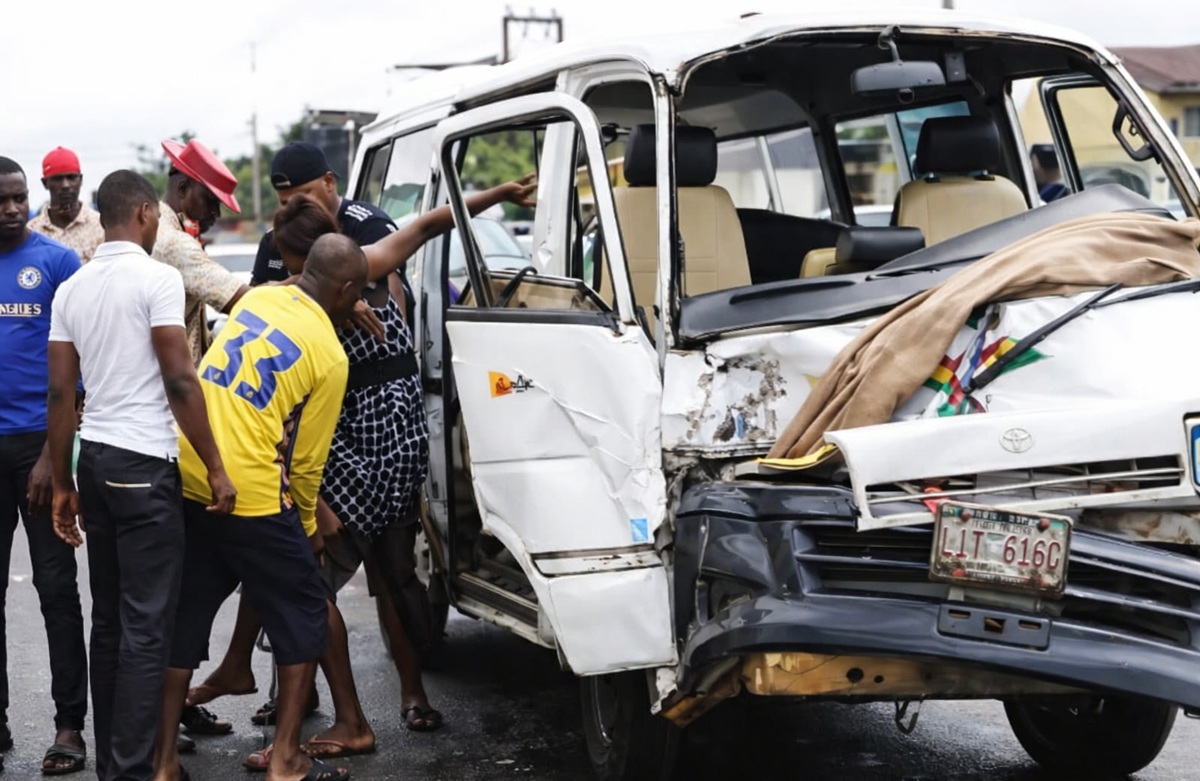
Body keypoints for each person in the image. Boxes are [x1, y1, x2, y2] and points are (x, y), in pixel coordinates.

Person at [44, 170, 237, 781]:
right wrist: (215, 465)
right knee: (147, 627)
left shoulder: (73, 287)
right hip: (143, 464)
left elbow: (58, 393)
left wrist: (64, 484)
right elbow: (181, 379)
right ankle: (130, 772)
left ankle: (112, 766)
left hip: (95, 460)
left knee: (110, 621)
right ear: (149, 214)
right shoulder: (157, 279)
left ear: (105, 218)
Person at [154, 233, 368, 781]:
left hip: (192, 469)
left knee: (188, 614)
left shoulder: (261, 299)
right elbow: (305, 466)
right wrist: (307, 533)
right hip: (249, 487)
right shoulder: (331, 355)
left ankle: (162, 763)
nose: (359, 306)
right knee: (302, 613)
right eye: (358, 295)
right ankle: (289, 758)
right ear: (344, 290)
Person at [0, 155, 89, 775]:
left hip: (41, 448)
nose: (10, 209)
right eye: (0, 200)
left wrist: (51, 459)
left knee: (58, 593)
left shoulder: (58, 264)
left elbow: (81, 367)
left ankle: (69, 727)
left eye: (17, 198)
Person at [153, 138, 251, 366]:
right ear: (183, 189)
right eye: (211, 200)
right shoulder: (175, 243)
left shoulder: (159, 227)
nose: (216, 213)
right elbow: (243, 300)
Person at [28, 147, 104, 265]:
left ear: (81, 180)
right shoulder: (32, 232)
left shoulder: (101, 226)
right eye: (57, 179)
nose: (65, 185)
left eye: (71, 177)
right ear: (45, 183)